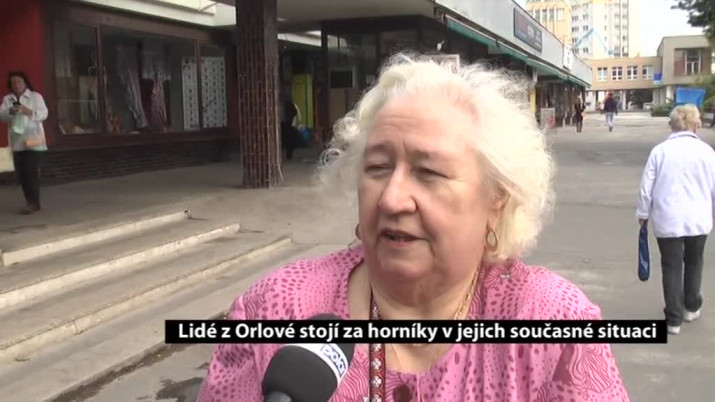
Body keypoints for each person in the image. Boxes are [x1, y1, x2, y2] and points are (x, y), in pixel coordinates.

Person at [198, 54, 629, 401]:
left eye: (428, 172)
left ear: (496, 198)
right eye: (378, 167)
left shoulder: (554, 325)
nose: (391, 199)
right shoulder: (272, 310)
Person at [636, 104, 715, 335]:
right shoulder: (707, 152)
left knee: (671, 266)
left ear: (673, 125)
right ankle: (691, 306)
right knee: (694, 261)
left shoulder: (660, 152)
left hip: (667, 217)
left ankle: (673, 319)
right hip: (699, 219)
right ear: (696, 125)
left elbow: (646, 187)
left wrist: (643, 214)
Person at [0, 71, 49, 214]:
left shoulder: (35, 97)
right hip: (17, 142)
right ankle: (30, 201)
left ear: (25, 83)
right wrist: (12, 111)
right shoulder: (8, 99)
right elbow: (2, 116)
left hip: (33, 141)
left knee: (30, 172)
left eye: (19, 82)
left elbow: (44, 114)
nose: (17, 85)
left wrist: (28, 111)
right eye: (13, 83)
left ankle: (34, 203)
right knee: (22, 174)